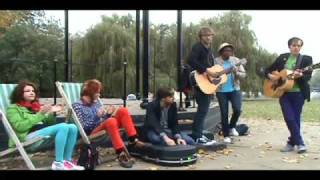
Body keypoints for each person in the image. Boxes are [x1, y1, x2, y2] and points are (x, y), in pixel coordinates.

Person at [6, 80, 84, 170]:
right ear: (19, 93)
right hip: (25, 138)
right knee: (63, 126)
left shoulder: (36, 106)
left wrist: (51, 113)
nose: (32, 93)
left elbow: (50, 124)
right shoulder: (13, 109)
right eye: (27, 91)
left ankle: (67, 161)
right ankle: (58, 163)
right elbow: (20, 127)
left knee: (72, 127)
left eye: (33, 91)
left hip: (41, 135)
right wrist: (40, 114)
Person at [72, 79, 145, 168]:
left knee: (122, 110)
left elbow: (104, 120)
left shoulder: (96, 102)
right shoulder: (77, 106)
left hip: (104, 126)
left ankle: (133, 139)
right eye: (97, 93)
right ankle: (120, 153)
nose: (99, 95)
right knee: (111, 121)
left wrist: (108, 114)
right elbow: (83, 127)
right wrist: (97, 116)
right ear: (90, 93)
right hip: (92, 133)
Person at [264, 37, 313, 154]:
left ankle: (291, 143)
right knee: (289, 118)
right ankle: (300, 143)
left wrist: (300, 75)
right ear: (289, 46)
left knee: (295, 119)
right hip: (283, 92)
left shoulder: (306, 59)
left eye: (299, 46)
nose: (296, 47)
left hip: (299, 93)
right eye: (294, 45)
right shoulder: (282, 57)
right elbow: (267, 70)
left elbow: (308, 76)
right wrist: (272, 77)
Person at [187, 26, 217, 145]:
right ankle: (197, 136)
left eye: (211, 35)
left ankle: (198, 134)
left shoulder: (208, 50)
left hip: (206, 82)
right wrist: (206, 70)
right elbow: (191, 60)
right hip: (199, 82)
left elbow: (210, 67)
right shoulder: (198, 47)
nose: (209, 38)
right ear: (201, 37)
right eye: (207, 35)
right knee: (202, 110)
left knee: (203, 110)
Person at [214, 43, 246, 143]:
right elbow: (213, 75)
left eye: (230, 50)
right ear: (221, 52)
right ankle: (226, 135)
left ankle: (232, 127)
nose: (228, 52)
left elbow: (244, 75)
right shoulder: (216, 61)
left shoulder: (236, 61)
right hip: (221, 90)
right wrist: (223, 72)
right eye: (225, 50)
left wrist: (236, 72)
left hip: (234, 89)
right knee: (224, 113)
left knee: (237, 110)